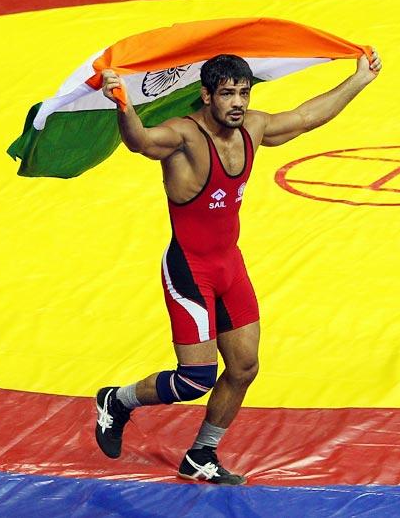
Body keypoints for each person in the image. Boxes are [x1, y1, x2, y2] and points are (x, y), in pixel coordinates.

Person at [95, 50, 382, 485]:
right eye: (227, 94)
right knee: (195, 379)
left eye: (244, 94)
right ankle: (118, 400)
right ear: (206, 95)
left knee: (245, 367)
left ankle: (201, 453)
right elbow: (140, 142)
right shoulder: (183, 136)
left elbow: (305, 117)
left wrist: (359, 80)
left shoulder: (253, 127)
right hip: (190, 271)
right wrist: (123, 104)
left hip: (230, 265)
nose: (238, 103)